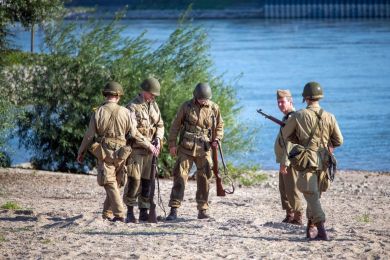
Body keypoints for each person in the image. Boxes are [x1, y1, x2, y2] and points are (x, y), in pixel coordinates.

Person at [282, 82, 343, 240]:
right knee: (314, 196)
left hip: (307, 161)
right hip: (324, 161)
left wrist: (300, 141)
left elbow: (286, 135)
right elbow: (338, 140)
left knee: (311, 195)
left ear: (306, 98)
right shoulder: (329, 116)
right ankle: (310, 229)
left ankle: (321, 231)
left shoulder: (298, 115)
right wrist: (327, 146)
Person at [77, 81, 141, 222]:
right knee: (115, 183)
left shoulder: (98, 111)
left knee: (109, 182)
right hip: (122, 152)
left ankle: (119, 214)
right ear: (118, 96)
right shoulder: (127, 112)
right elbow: (133, 133)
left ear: (105, 94)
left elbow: (89, 135)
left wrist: (81, 151)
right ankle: (106, 214)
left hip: (105, 152)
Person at [166, 83, 223, 220]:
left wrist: (217, 139)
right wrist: (172, 144)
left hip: (204, 148)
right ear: (196, 96)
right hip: (186, 147)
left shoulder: (214, 108)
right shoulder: (186, 106)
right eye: (202, 99)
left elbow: (220, 126)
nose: (204, 101)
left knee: (204, 178)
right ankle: (174, 209)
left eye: (206, 99)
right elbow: (175, 125)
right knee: (180, 176)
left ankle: (202, 210)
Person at [123, 77, 164, 223]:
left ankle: (144, 211)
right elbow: (133, 132)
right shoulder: (132, 107)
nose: (153, 97)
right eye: (151, 94)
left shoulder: (154, 106)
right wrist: (149, 145)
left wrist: (158, 139)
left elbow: (160, 124)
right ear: (143, 91)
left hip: (150, 151)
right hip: (137, 150)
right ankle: (129, 212)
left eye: (154, 95)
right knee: (134, 180)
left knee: (147, 182)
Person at [274, 89, 303, 225]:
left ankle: (298, 216)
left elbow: (289, 143)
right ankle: (289, 214)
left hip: (290, 160)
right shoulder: (286, 117)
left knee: (292, 189)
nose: (280, 105)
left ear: (290, 101)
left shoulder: (293, 117)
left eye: (282, 102)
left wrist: (284, 162)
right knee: (284, 188)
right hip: (284, 159)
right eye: (278, 102)